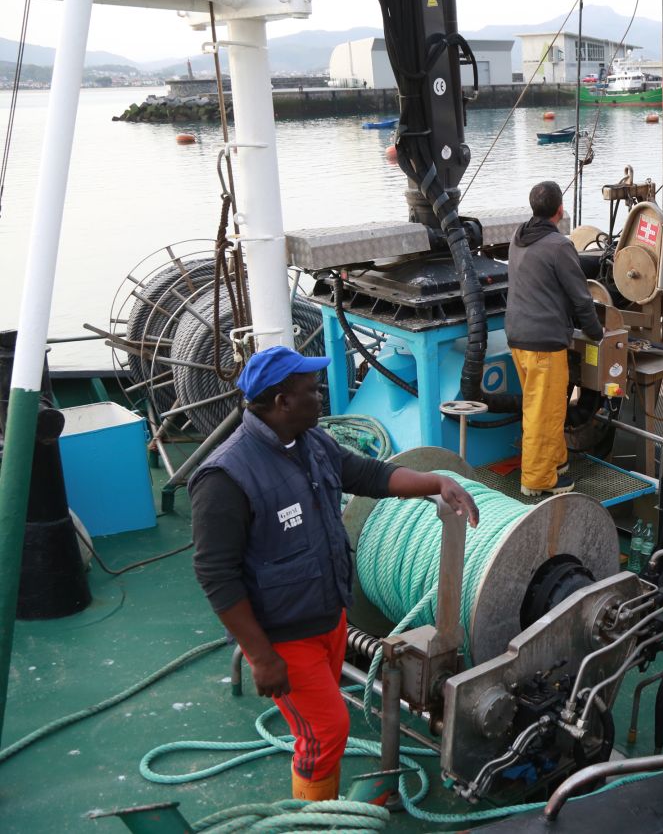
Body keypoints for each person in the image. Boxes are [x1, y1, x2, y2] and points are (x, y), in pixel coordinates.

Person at [189, 346, 479, 801]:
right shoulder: (225, 477)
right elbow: (215, 574)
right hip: (284, 636)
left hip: (330, 618)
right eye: (311, 390)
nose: (320, 396)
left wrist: (438, 481)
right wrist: (262, 657)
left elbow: (367, 475)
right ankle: (317, 824)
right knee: (325, 732)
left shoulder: (310, 442)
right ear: (282, 401)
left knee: (324, 730)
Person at [506, 180, 604, 496]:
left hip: (517, 337)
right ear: (560, 211)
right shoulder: (560, 246)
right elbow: (581, 298)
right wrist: (597, 332)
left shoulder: (518, 237)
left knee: (545, 407)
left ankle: (556, 461)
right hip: (544, 344)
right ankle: (537, 480)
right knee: (543, 413)